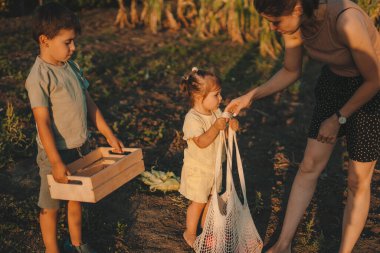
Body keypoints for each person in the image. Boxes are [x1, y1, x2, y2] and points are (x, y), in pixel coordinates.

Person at [225, 0, 380, 252]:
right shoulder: (295, 24)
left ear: (297, 8)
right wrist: (250, 96)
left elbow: (374, 79)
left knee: (357, 179)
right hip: (335, 83)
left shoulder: (346, 21)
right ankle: (283, 245)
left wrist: (338, 118)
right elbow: (290, 70)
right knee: (309, 165)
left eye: (275, 21)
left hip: (371, 91)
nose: (273, 28)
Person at [25, 3, 124, 253]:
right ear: (45, 40)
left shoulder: (72, 68)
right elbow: (43, 123)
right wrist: (56, 161)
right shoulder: (39, 77)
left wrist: (109, 135)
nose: (74, 48)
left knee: (75, 197)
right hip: (54, 153)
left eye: (74, 41)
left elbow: (89, 104)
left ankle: (77, 243)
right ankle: (52, 249)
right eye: (68, 42)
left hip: (79, 147)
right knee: (51, 205)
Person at [179, 67, 239, 248]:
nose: (220, 99)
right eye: (216, 95)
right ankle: (189, 232)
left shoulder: (215, 112)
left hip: (214, 168)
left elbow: (224, 135)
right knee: (198, 202)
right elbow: (202, 142)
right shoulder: (192, 118)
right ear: (199, 97)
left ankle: (206, 230)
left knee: (211, 201)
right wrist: (216, 127)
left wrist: (231, 127)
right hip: (198, 169)